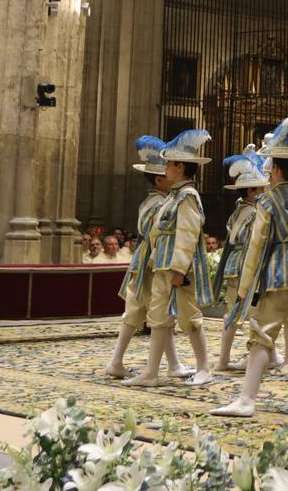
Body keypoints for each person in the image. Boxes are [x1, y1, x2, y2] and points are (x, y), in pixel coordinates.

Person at [214, 116, 288, 418]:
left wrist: (245, 290)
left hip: (279, 277)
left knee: (262, 335)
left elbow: (256, 248)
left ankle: (246, 399)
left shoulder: (266, 203)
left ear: (276, 168)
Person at [122, 129, 215, 387]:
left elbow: (187, 233)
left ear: (180, 167)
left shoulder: (188, 196)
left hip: (176, 269)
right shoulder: (175, 195)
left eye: (169, 164)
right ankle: (151, 372)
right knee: (158, 318)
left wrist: (179, 270)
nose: (165, 169)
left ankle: (204, 368)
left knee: (189, 317)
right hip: (162, 264)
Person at [106, 135, 193, 381]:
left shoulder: (157, 200)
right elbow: (158, 233)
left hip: (146, 260)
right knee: (148, 312)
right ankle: (117, 361)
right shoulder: (157, 203)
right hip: (151, 261)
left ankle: (171, 364)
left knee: (155, 314)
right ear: (159, 180)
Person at [213, 152, 271, 373]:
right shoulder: (253, 214)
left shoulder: (239, 210)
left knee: (236, 313)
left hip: (234, 265)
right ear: (251, 192)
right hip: (246, 266)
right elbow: (253, 244)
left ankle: (227, 358)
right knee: (251, 313)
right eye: (261, 189)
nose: (264, 192)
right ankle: (243, 358)